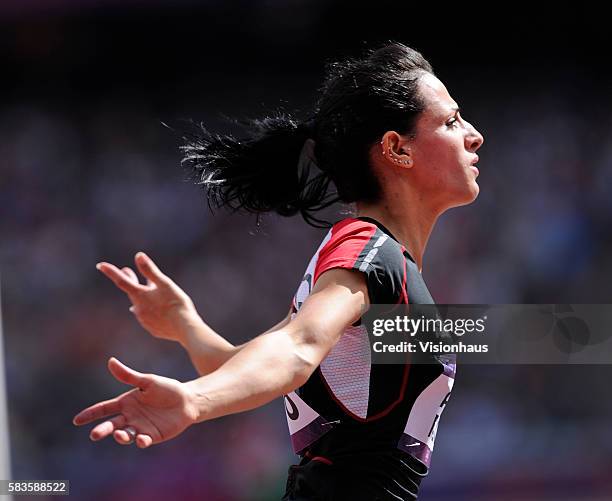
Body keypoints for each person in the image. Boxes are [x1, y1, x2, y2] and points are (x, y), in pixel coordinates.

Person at [73, 42, 484, 500]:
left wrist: (188, 329)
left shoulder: (378, 265)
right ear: (395, 148)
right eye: (450, 122)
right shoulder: (368, 253)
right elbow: (297, 348)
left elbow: (254, 363)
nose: (474, 134)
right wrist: (193, 400)